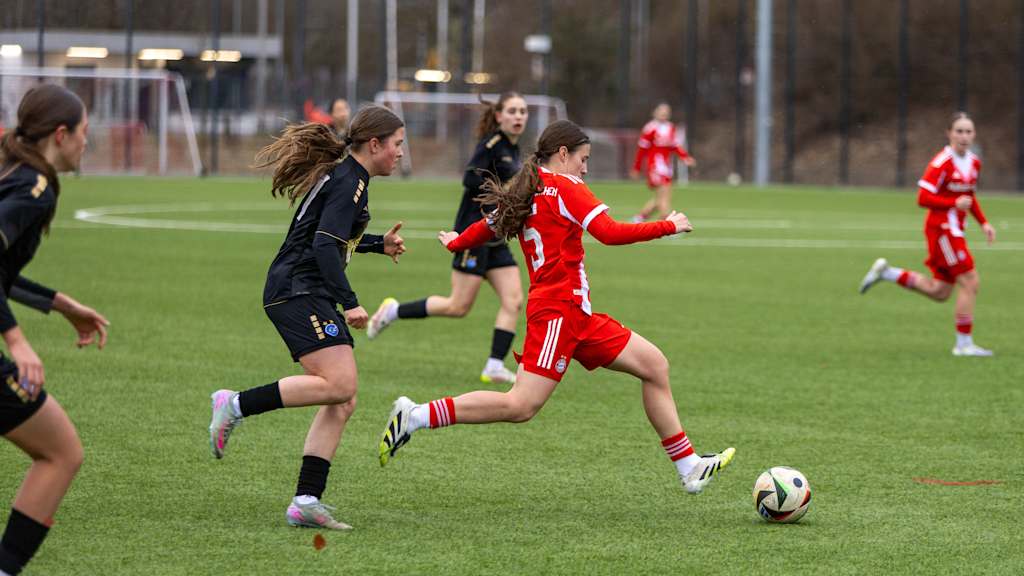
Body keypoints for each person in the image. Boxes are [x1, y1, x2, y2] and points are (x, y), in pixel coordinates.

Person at [377, 120, 734, 496]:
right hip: (557, 313)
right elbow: (609, 233)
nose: (585, 168)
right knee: (520, 405)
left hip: (576, 314)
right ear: (563, 154)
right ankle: (416, 415)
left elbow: (490, 225)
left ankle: (689, 465)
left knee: (654, 365)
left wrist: (457, 242)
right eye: (583, 159)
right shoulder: (565, 187)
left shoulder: (527, 187)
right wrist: (667, 226)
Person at [207, 105, 408, 530]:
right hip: (297, 290)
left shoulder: (351, 178)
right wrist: (350, 302)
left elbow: (332, 236)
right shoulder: (349, 182)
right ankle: (234, 404)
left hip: (304, 290)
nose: (401, 152)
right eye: (397, 144)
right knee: (341, 385)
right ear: (375, 144)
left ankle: (306, 500)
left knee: (343, 398)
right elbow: (322, 245)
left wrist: (377, 244)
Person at [0, 84, 110, 576]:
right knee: (61, 453)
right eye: (84, 132)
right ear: (61, 135)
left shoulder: (16, 173)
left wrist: (59, 303)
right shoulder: (33, 189)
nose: (88, 142)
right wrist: (17, 341)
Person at [366, 92, 529, 384]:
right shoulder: (491, 145)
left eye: (522, 111)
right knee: (458, 306)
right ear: (499, 116)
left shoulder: (513, 148)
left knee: (514, 300)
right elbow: (470, 179)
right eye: (512, 111)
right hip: (473, 234)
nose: (518, 116)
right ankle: (393, 311)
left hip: (495, 234)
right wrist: (502, 189)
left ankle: (494, 366)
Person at [859, 112, 996, 357]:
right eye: (959, 131)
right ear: (949, 133)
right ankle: (963, 345)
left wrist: (984, 223)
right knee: (970, 281)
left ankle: (888, 273)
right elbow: (923, 198)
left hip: (955, 230)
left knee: (940, 291)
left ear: (974, 134)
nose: (964, 136)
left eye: (968, 131)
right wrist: (953, 203)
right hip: (942, 230)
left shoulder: (974, 162)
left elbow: (968, 197)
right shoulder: (942, 163)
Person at [630, 102, 696, 223]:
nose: (664, 113)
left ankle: (639, 218)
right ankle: (666, 224)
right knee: (665, 196)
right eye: (661, 110)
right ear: (655, 112)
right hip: (655, 166)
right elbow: (642, 150)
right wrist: (636, 168)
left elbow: (675, 146)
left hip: (666, 166)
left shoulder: (671, 127)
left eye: (666, 111)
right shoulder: (650, 128)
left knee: (661, 197)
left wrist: (685, 157)